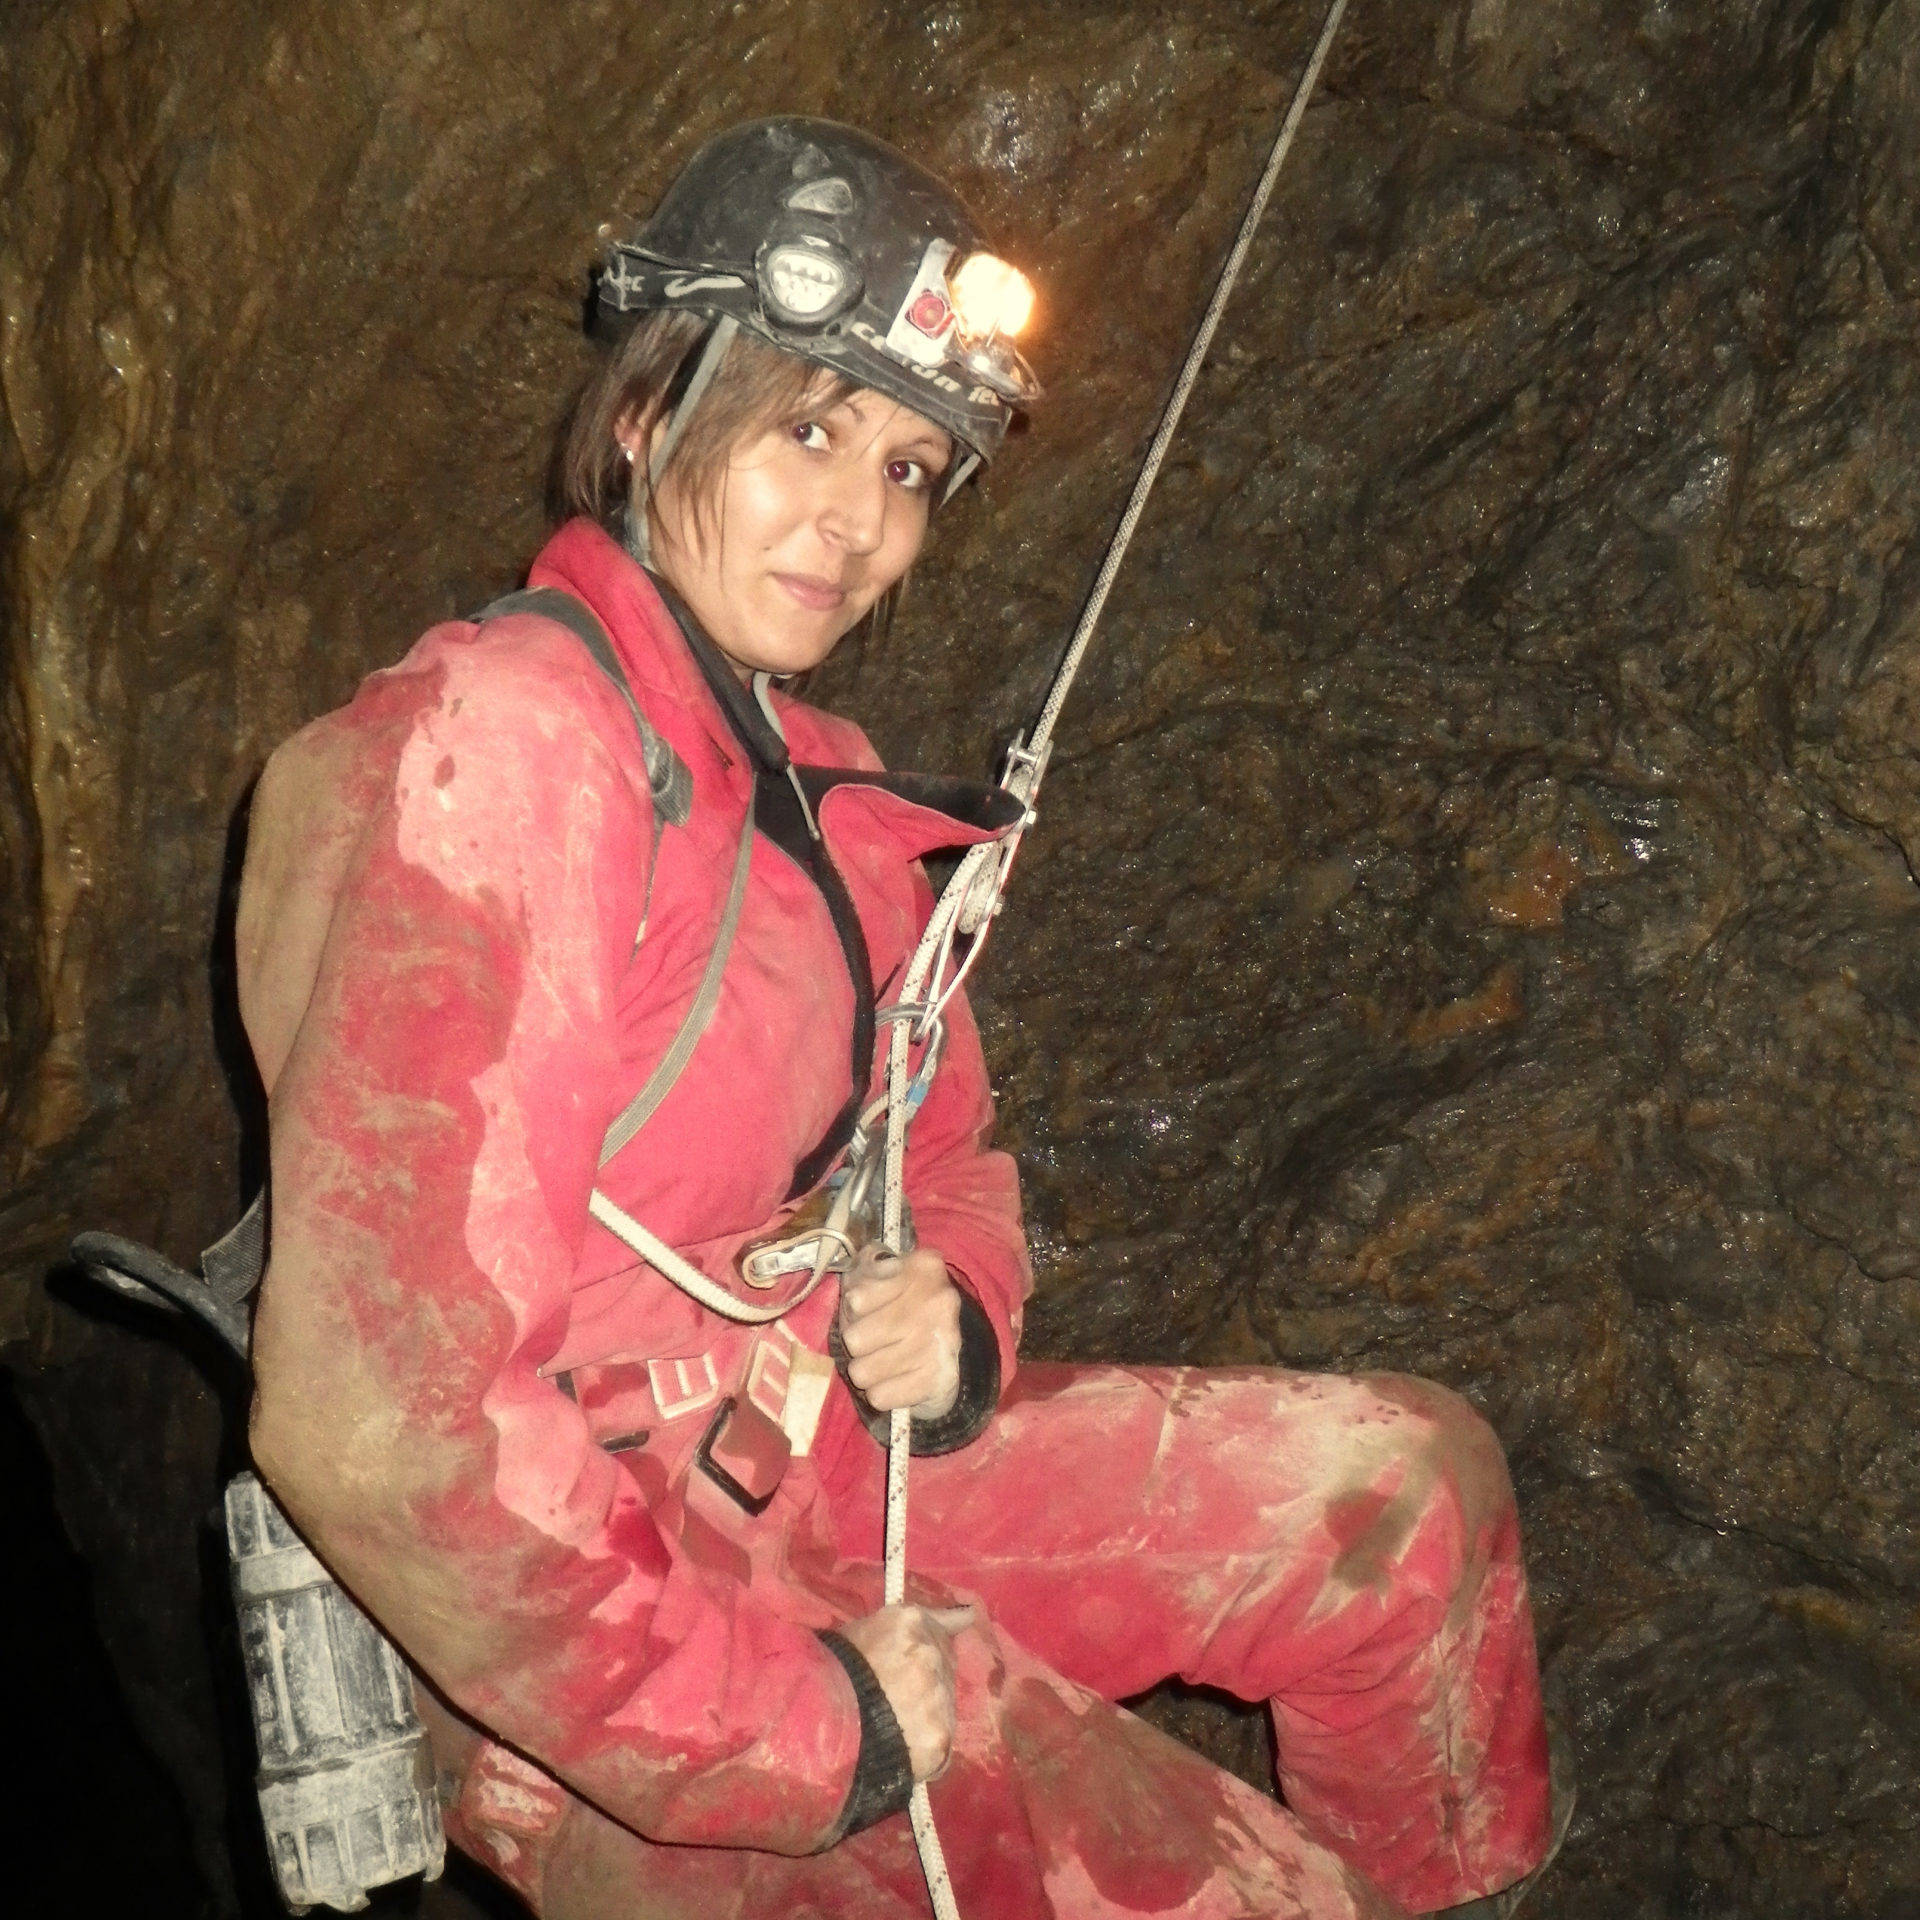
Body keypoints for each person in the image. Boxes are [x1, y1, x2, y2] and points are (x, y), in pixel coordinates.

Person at [236, 117, 1561, 1919]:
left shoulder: (830, 793)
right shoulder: (503, 748)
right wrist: (812, 1727)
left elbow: (948, 1154)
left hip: (823, 1455)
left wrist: (965, 1324)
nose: (861, 523)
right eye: (808, 430)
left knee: (1406, 1503)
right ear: (645, 416)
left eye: (916, 468)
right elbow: (393, 1418)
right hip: (592, 1624)